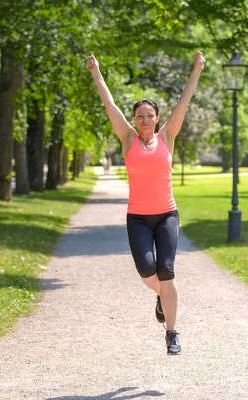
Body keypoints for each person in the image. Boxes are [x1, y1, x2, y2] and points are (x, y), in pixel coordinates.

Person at [87, 51, 205, 355]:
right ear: (135, 119)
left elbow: (183, 104)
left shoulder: (168, 135)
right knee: (147, 272)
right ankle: (163, 298)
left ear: (156, 118)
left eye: (149, 115)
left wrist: (196, 71)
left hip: (167, 215)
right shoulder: (127, 138)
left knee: (166, 270)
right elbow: (109, 105)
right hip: (138, 217)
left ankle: (172, 333)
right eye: (139, 115)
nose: (144, 120)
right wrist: (96, 73)